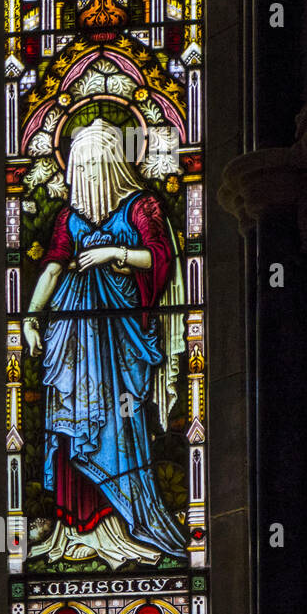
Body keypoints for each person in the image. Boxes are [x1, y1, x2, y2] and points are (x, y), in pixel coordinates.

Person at [22, 119, 188, 567]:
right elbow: (54, 268)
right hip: (73, 337)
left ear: (112, 164)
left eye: (91, 166)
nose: (83, 177)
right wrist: (32, 317)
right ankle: (72, 530)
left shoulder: (141, 206)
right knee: (70, 421)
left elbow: (160, 258)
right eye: (78, 167)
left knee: (117, 420)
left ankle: (119, 525)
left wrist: (115, 254)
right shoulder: (69, 217)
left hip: (120, 340)